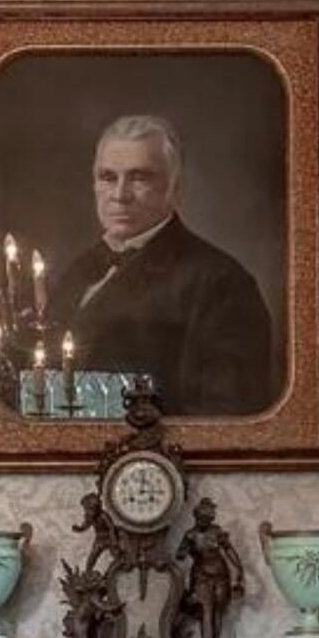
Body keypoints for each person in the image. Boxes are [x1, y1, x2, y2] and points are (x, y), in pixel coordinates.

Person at [41, 115, 278, 418]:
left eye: (139, 178)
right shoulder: (78, 270)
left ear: (175, 189)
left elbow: (227, 419)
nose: (120, 195)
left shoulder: (221, 283)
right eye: (108, 177)